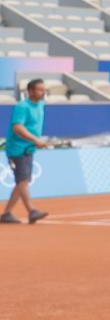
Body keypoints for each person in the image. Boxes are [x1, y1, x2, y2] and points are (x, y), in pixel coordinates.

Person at [2, 79, 50, 225]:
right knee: (23, 181)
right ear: (30, 91)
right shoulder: (22, 107)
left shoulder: (41, 103)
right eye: (40, 90)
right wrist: (35, 139)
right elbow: (17, 127)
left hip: (28, 148)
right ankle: (31, 211)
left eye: (44, 89)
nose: (43, 92)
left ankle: (6, 214)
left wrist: (36, 141)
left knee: (22, 182)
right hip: (16, 149)